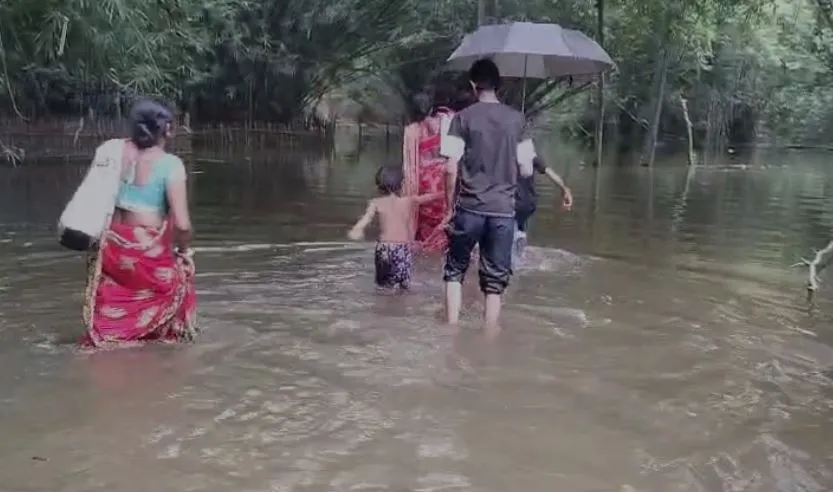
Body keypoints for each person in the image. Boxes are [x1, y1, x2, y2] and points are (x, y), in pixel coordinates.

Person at [81, 99, 197, 348]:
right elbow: (182, 225)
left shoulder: (113, 154)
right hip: (146, 252)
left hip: (111, 248)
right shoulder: (170, 165)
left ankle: (108, 339)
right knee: (176, 284)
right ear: (167, 129)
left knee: (113, 302)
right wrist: (184, 252)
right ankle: (152, 348)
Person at [440, 58, 536, 330]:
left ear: (473, 85)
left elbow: (450, 168)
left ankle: (451, 330)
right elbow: (527, 169)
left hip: (469, 208)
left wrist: (449, 207)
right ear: (498, 85)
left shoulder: (462, 118)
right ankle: (490, 336)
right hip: (503, 211)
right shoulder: (518, 120)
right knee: (495, 281)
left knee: (455, 270)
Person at [348, 166, 442, 290]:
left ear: (379, 186)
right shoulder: (409, 201)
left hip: (383, 248)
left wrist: (357, 229)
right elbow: (429, 197)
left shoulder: (375, 202)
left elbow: (366, 219)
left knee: (383, 286)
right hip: (401, 248)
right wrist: (446, 192)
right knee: (403, 286)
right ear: (401, 185)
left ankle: (382, 301)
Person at [402, 91, 456, 252]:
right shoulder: (446, 122)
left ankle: (423, 258)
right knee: (444, 226)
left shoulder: (412, 130)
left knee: (422, 231)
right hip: (442, 183)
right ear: (431, 107)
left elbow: (408, 166)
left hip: (422, 183)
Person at [513, 155, 574, 261]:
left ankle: (513, 258)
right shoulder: (529, 153)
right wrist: (565, 189)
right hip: (528, 203)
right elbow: (550, 173)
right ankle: (520, 252)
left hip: (512, 202)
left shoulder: (505, 151)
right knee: (519, 228)